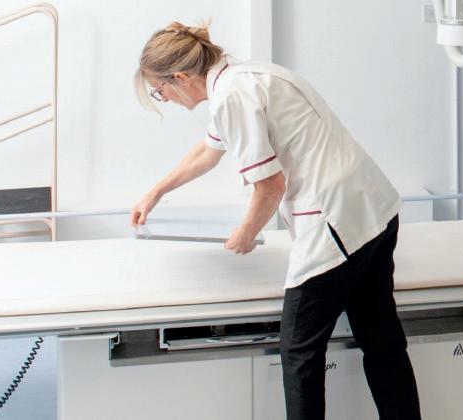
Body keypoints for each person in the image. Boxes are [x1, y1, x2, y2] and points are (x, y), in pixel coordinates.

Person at [131, 22, 421, 420]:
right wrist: (155, 193)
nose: (164, 99)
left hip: (335, 225)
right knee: (381, 340)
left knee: (299, 351)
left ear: (180, 78)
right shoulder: (247, 76)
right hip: (375, 210)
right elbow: (207, 151)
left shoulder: (231, 95)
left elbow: (269, 186)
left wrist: (246, 233)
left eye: (159, 91)